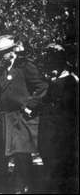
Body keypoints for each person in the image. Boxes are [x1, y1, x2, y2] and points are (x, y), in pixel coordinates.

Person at [0, 35, 48, 194]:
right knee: (18, 155)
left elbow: (42, 86)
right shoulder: (2, 71)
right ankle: (26, 187)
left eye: (2, 53)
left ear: (11, 52)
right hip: (9, 118)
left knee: (22, 155)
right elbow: (1, 95)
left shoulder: (25, 67)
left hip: (23, 118)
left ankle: (21, 188)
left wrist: (30, 105)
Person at [38, 43, 79, 194]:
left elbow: (69, 108)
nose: (51, 66)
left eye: (55, 62)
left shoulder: (69, 81)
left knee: (61, 162)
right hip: (51, 129)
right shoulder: (53, 81)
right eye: (49, 62)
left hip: (63, 130)